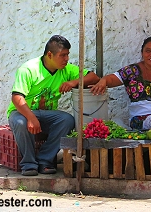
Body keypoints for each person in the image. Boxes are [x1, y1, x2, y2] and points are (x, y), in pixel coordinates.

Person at [7, 35, 100, 176]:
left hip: (46, 115)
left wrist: (73, 82)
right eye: (63, 55)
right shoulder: (29, 69)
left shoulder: (66, 69)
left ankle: (45, 160)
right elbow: (17, 98)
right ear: (49, 55)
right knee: (21, 122)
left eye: (67, 55)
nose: (66, 59)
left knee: (67, 120)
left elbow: (94, 77)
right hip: (22, 112)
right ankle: (29, 164)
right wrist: (31, 117)